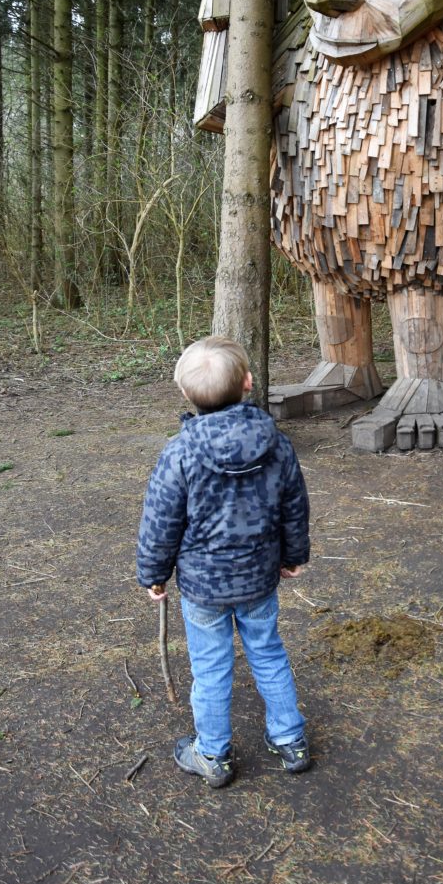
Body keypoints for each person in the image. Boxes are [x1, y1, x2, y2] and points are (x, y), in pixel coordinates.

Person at [136, 336, 311, 788]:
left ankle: (212, 755)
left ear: (186, 394)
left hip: (204, 587)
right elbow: (295, 507)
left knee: (210, 667)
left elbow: (160, 520)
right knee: (268, 653)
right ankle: (291, 740)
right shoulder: (279, 445)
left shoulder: (180, 452)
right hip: (258, 578)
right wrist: (293, 557)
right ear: (248, 383)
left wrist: (153, 574)